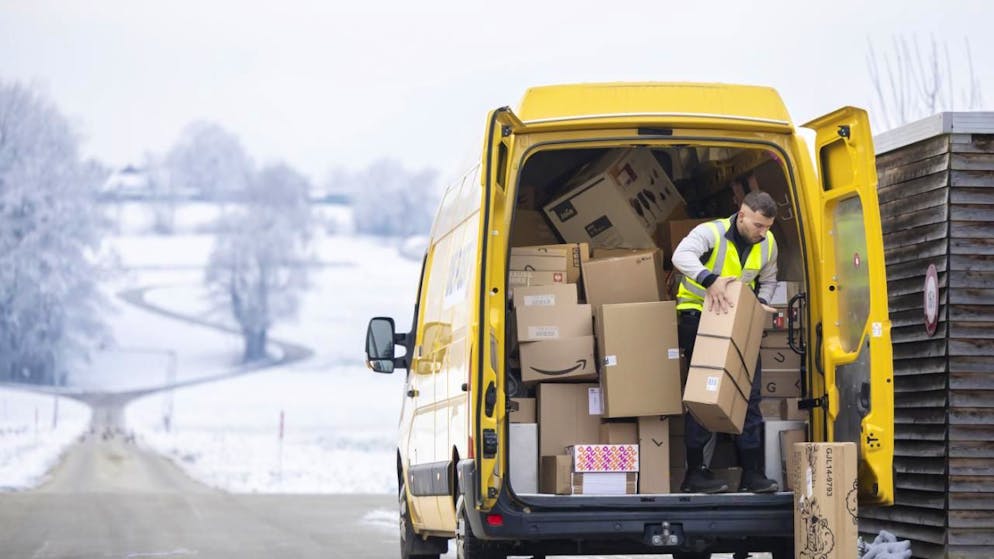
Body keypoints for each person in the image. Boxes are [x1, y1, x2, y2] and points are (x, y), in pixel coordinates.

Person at [672, 190, 781, 494]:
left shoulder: (768, 243)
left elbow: (769, 279)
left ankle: (752, 474)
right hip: (699, 316)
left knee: (748, 395)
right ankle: (695, 474)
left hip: (739, 321)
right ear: (742, 215)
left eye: (768, 227)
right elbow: (680, 256)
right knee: (705, 393)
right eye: (758, 225)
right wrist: (710, 280)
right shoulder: (711, 232)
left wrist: (760, 303)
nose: (763, 233)